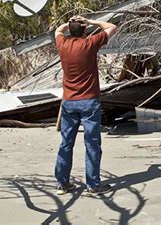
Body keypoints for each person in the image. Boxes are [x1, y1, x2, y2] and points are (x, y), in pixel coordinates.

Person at [54, 15, 117, 195]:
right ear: (84, 31)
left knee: (66, 143)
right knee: (92, 144)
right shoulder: (89, 44)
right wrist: (90, 21)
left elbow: (58, 31)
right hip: (89, 101)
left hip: (69, 102)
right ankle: (93, 185)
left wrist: (70, 23)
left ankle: (62, 183)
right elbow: (112, 26)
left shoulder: (63, 45)